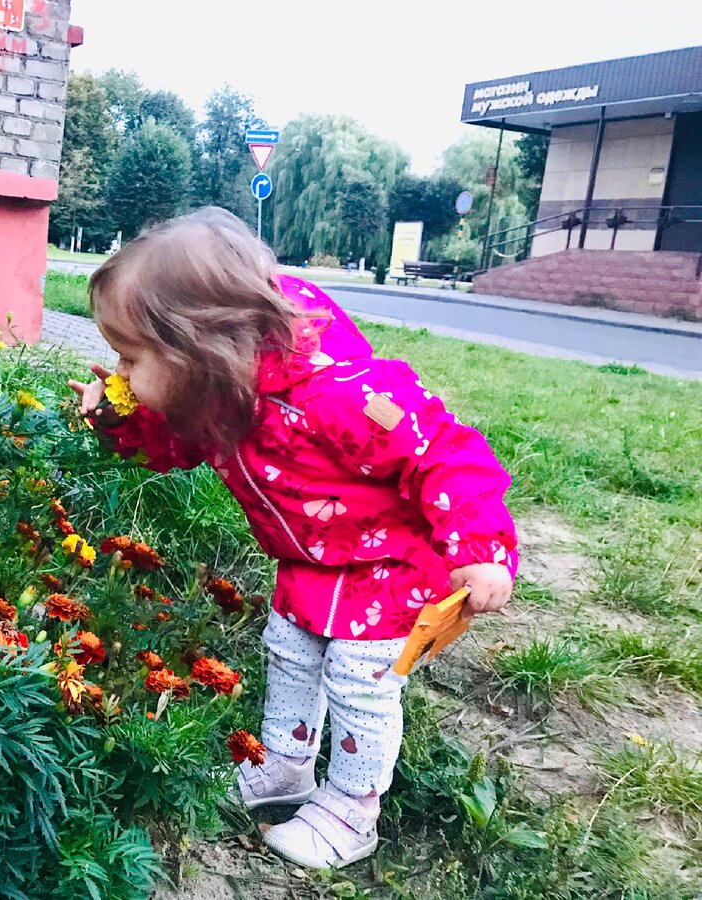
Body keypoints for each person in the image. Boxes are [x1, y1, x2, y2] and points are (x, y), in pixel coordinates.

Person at [69, 207, 518, 870]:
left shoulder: (340, 395)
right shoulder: (219, 396)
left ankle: (353, 808)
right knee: (291, 656)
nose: (120, 371)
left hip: (387, 567)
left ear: (198, 349)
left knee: (360, 683)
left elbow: (442, 453)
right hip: (308, 564)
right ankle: (284, 764)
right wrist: (119, 421)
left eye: (130, 358)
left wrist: (483, 550)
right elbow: (172, 448)